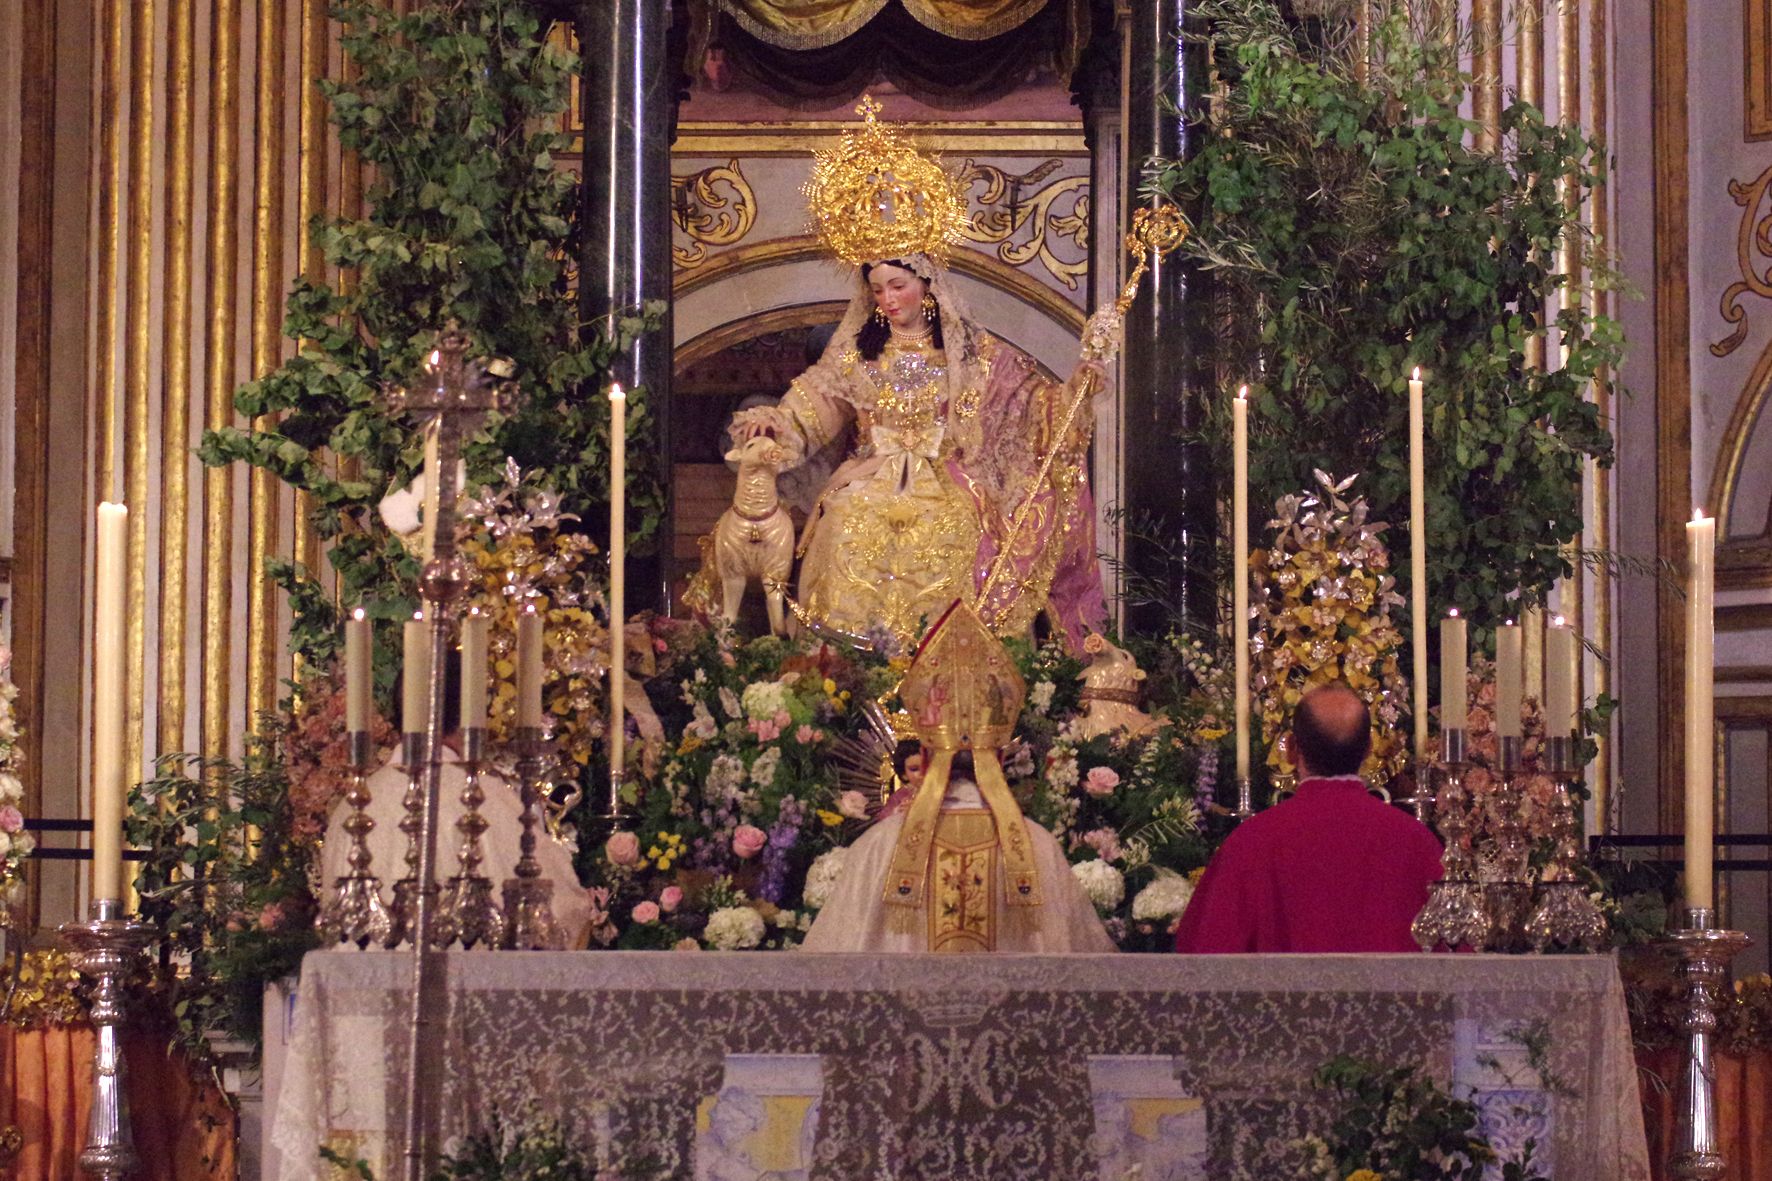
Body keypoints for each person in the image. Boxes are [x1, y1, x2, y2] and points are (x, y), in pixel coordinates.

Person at [729, 97, 1107, 652]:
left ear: (925, 283)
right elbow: (816, 404)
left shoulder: (970, 354)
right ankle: (848, 668)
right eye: (877, 289)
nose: (888, 299)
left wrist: (1076, 391)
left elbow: (1028, 403)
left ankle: (950, 663)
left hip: (946, 480)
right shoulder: (858, 354)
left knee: (955, 530)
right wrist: (776, 424)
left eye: (898, 286)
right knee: (847, 523)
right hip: (869, 478)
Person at [802, 601, 1113, 953]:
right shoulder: (1039, 847)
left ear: (925, 757)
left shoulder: (878, 847)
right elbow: (1083, 969)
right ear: (998, 757)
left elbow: (830, 966)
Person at [1173, 682, 1443, 954]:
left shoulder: (1250, 842)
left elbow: (1204, 953)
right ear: (1369, 749)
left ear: (1291, 749)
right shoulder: (1416, 842)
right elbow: (1453, 954)